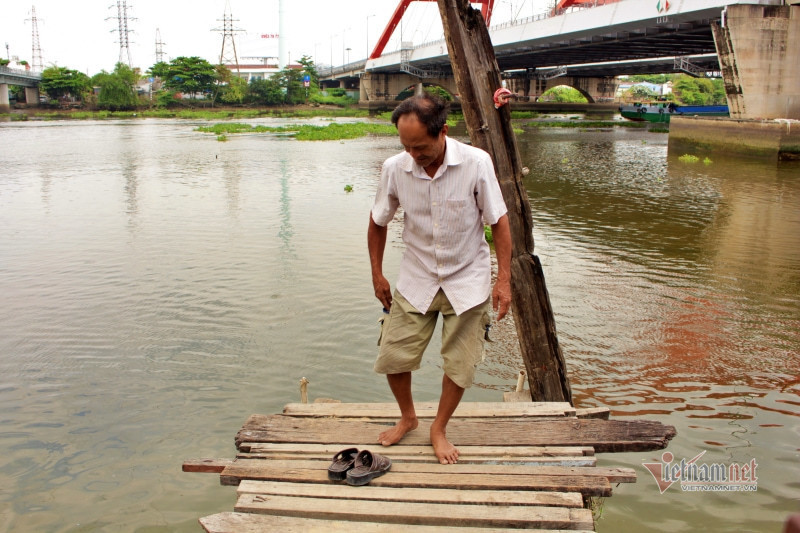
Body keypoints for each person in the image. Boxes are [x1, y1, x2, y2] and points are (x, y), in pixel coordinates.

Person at [367, 92, 512, 465]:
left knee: (460, 363)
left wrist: (504, 280)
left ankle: (439, 427)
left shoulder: (476, 163)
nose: (414, 154)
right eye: (407, 146)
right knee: (394, 354)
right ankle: (408, 417)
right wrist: (377, 273)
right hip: (417, 276)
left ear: (443, 131)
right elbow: (378, 221)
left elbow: (499, 221)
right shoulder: (395, 168)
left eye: (421, 147)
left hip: (467, 278)